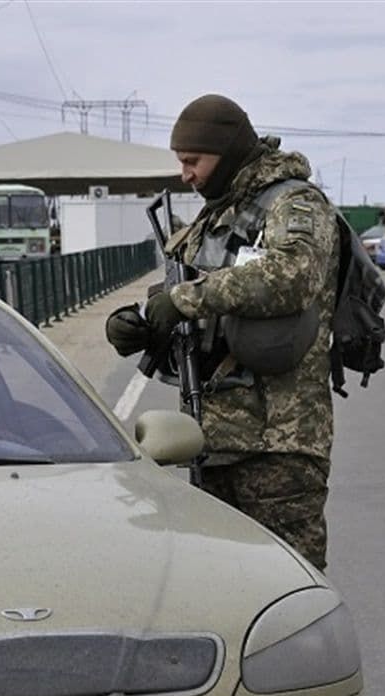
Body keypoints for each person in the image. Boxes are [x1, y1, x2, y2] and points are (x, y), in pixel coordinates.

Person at [104, 94, 340, 571]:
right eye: (181, 161)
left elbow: (293, 273)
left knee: (288, 586)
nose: (186, 174)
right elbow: (187, 286)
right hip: (211, 440)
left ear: (228, 152)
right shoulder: (216, 213)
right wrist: (142, 322)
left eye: (194, 161)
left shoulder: (294, 202)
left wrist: (184, 301)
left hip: (277, 446)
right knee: (224, 586)